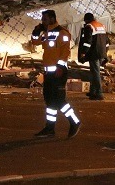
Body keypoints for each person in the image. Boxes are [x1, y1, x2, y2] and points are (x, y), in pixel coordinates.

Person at [30, 9, 81, 138]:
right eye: (42, 19)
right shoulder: (46, 33)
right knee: (49, 101)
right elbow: (35, 42)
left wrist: (60, 66)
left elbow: (65, 51)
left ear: (52, 18)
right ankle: (50, 128)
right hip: (48, 73)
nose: (43, 21)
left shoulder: (62, 32)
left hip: (58, 72)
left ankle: (74, 122)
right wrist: (36, 31)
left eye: (45, 19)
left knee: (59, 100)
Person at [78, 12, 109, 100]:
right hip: (101, 52)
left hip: (94, 53)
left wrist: (83, 52)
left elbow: (88, 42)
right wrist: (106, 52)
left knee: (95, 73)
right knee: (94, 72)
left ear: (86, 20)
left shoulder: (89, 27)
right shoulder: (101, 26)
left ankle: (99, 93)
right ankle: (93, 91)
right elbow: (107, 41)